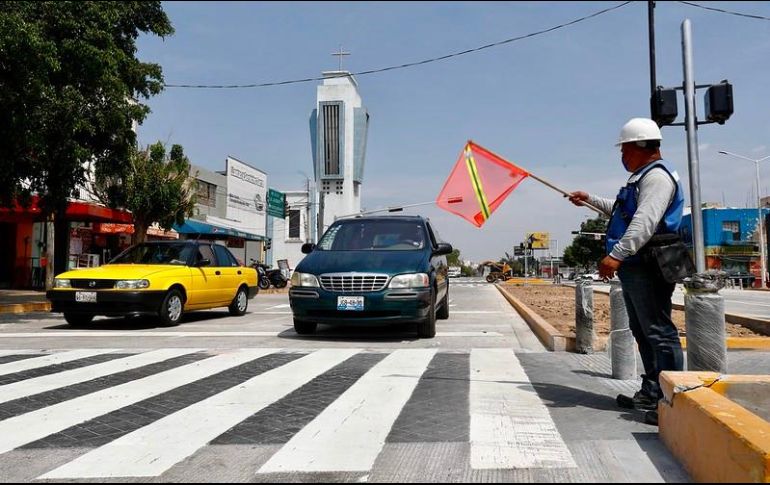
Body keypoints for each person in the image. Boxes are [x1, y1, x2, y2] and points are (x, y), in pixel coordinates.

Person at [568, 117, 686, 425]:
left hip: (648, 264)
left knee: (659, 332)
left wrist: (615, 255)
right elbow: (622, 210)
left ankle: (674, 402)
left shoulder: (658, 178)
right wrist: (590, 200)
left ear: (643, 147)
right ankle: (652, 390)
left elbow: (643, 222)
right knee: (643, 331)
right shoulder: (641, 177)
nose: (623, 157)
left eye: (626, 151)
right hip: (637, 265)